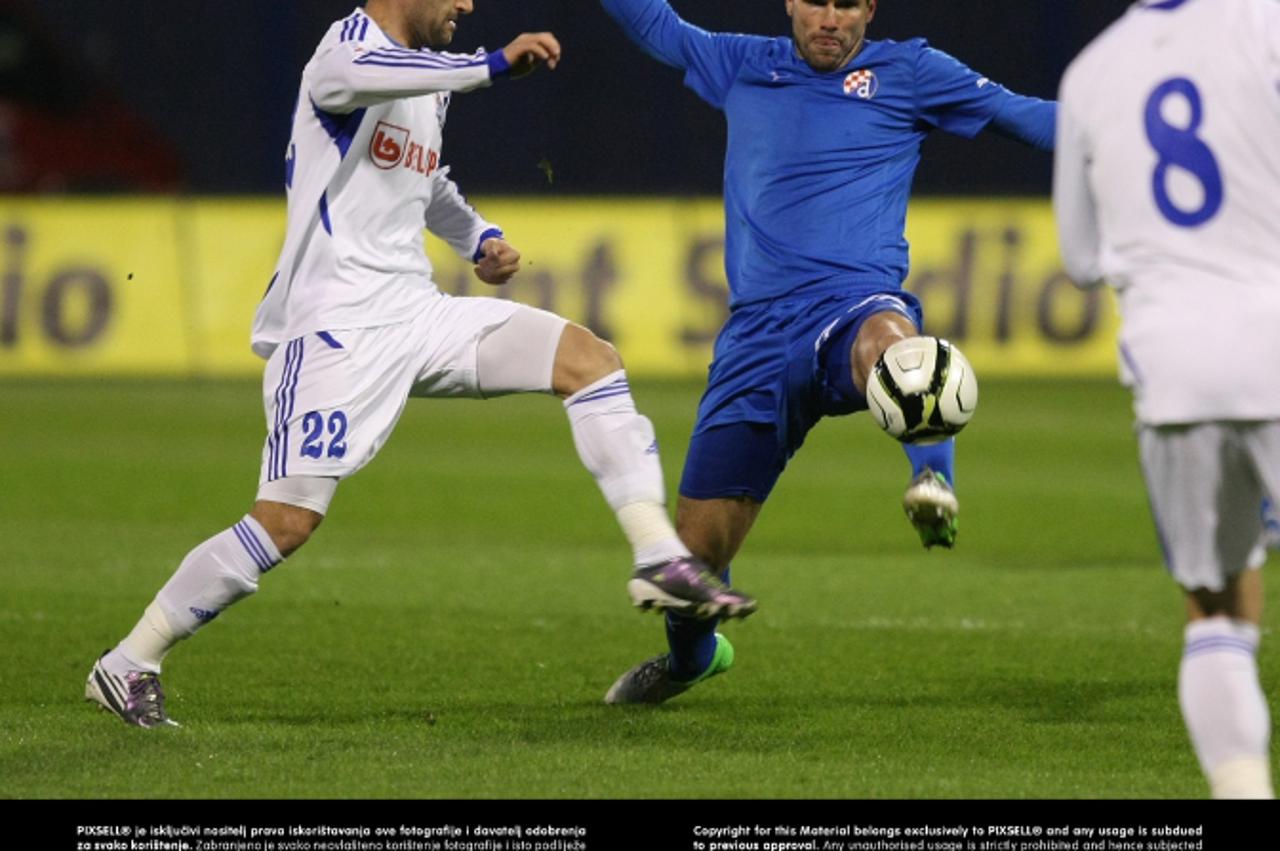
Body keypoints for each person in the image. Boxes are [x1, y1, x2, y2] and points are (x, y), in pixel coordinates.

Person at [84, 0, 754, 729]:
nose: (466, 4)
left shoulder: (426, 77)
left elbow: (424, 180)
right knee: (285, 522)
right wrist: (493, 65)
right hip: (334, 330)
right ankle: (129, 661)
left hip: (416, 312)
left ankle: (657, 554)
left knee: (588, 361)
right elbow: (387, 73)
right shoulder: (343, 54)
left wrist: (478, 238)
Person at [597, 0, 1055, 704]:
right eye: (817, 2)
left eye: (847, 4)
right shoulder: (743, 64)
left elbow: (1027, 117)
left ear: (869, 8)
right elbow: (657, 26)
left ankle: (932, 480)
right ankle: (693, 660)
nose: (830, 19)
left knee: (892, 343)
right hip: (755, 341)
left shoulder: (910, 71)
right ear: (791, 2)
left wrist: (1132, 130)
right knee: (693, 559)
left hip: (854, 305)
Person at [1054, 0, 1280, 799]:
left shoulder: (1090, 72)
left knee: (1214, 610)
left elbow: (1081, 260)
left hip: (1172, 366)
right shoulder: (1264, 22)